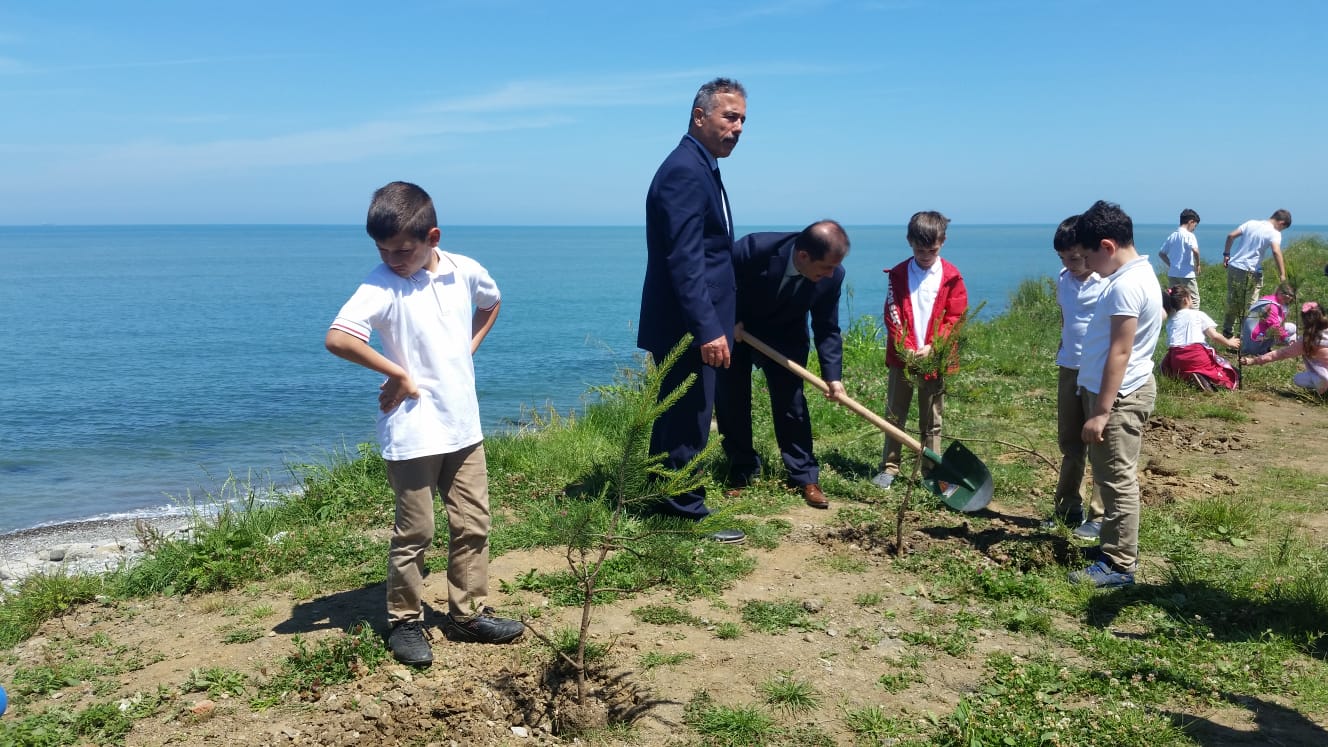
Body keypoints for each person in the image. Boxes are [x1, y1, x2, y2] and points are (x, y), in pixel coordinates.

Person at [325, 182, 523, 666]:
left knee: (473, 523)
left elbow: (491, 302)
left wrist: (465, 350)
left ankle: (467, 612)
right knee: (416, 532)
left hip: (463, 426)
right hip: (412, 431)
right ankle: (405, 621)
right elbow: (338, 339)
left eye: (403, 250)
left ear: (432, 236)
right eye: (383, 249)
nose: (393, 259)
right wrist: (398, 374)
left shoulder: (465, 270)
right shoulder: (380, 284)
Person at [637, 78, 747, 544]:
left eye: (742, 119)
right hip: (687, 324)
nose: (738, 128)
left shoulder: (701, 165)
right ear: (699, 116)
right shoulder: (685, 170)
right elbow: (685, 260)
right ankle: (683, 511)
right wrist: (708, 329)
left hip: (693, 319)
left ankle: (658, 493)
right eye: (729, 117)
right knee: (689, 416)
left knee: (677, 413)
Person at [716, 220, 850, 510]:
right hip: (738, 329)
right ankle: (742, 469)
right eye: (825, 267)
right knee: (731, 400)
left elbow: (827, 328)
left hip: (787, 336)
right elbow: (719, 283)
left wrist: (833, 377)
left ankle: (803, 475)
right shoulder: (753, 250)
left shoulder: (833, 275)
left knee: (792, 405)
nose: (830, 274)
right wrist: (729, 322)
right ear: (803, 256)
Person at [1068, 200, 1163, 589]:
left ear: (1107, 246)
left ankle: (1120, 564)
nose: (1088, 265)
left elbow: (1120, 352)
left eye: (1089, 256)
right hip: (1115, 393)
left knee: (1118, 481)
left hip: (1119, 398)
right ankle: (1112, 547)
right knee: (1108, 477)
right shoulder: (1136, 276)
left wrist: (1101, 411)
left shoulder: (1126, 285)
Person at [872, 211, 968, 489]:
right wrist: (907, 348)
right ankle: (890, 467)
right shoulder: (899, 274)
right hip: (902, 357)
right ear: (909, 242)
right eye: (919, 249)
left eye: (931, 250)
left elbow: (955, 316)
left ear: (943, 242)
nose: (925, 255)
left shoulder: (951, 276)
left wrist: (933, 347)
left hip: (935, 358)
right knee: (895, 412)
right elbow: (892, 313)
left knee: (932, 417)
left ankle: (931, 469)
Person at [1043, 216, 1107, 539]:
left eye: (1075, 257)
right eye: (1063, 258)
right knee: (1069, 442)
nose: (1069, 264)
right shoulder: (1063, 279)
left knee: (1098, 444)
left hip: (1097, 371)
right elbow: (1065, 318)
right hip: (1069, 367)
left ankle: (1099, 515)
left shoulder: (1107, 283)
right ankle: (1067, 507)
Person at [1221, 209, 1292, 338]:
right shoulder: (1274, 233)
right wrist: (1282, 274)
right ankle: (1244, 335)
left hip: (1235, 265)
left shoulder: (1251, 223)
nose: (1281, 231)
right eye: (1283, 228)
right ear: (1281, 223)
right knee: (1251, 304)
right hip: (1251, 270)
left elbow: (1231, 236)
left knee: (1233, 299)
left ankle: (1227, 330)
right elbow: (1276, 251)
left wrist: (1226, 254)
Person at [1160, 285, 1240, 391]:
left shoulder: (1171, 320)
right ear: (1185, 300)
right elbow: (1214, 336)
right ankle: (1203, 379)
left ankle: (1189, 376)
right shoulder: (1198, 314)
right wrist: (1229, 343)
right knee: (1226, 370)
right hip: (1196, 355)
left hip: (1176, 358)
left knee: (1183, 368)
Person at [1241, 301, 1328, 395]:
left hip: (1325, 377)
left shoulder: (1307, 341)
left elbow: (1280, 354)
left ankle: (1324, 389)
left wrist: (1254, 361)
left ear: (1305, 320)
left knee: (1298, 379)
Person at [1158, 209, 1203, 308]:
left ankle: (1175, 321)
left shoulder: (1172, 236)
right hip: (1186, 274)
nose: (1194, 228)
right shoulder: (1189, 235)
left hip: (1173, 273)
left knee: (1175, 300)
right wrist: (1198, 264)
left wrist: (1171, 264)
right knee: (1194, 300)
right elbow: (1195, 251)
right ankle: (1193, 322)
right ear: (1191, 222)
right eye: (1195, 225)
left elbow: (1161, 253)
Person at [1240, 284, 1297, 355]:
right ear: (1278, 291)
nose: (1288, 296)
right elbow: (1275, 326)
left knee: (1292, 327)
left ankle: (1264, 347)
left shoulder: (1269, 299)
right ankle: (1262, 350)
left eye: (1290, 295)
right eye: (1285, 293)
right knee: (1290, 330)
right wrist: (1286, 339)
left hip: (1253, 336)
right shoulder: (1272, 305)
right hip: (1255, 342)